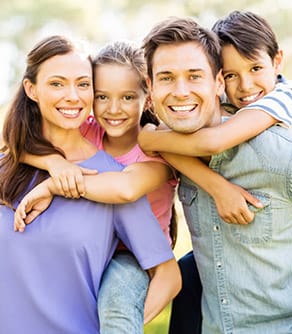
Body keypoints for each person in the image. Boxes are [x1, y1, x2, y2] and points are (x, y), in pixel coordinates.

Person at [14, 39, 257, 333]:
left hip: (132, 256)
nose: (114, 109)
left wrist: (54, 185)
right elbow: (19, 141)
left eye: (128, 97)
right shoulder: (87, 129)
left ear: (148, 95)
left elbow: (124, 190)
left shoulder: (155, 150)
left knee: (118, 305)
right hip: (90, 246)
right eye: (102, 97)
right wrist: (55, 164)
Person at [138, 11, 292, 333]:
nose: (245, 85)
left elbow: (217, 139)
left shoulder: (285, 131)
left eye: (194, 76)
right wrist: (215, 184)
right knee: (188, 278)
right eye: (167, 77)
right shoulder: (181, 141)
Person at [0, 35, 181, 334]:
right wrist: (55, 164)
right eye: (57, 83)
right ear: (31, 89)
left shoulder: (120, 173)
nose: (72, 96)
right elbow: (22, 140)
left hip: (126, 265)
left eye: (82, 84)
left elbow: (167, 274)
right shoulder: (13, 164)